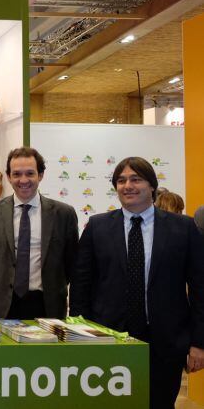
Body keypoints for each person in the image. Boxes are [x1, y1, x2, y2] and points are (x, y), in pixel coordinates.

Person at [70, 157, 204, 409]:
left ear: (151, 185)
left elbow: (200, 288)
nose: (127, 186)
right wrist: (80, 333)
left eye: (136, 179)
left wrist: (199, 342)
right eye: (121, 180)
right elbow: (81, 285)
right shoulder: (97, 227)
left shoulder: (183, 228)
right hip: (108, 338)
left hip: (165, 341)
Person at [0, 147, 79, 319]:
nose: (23, 180)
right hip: (3, 306)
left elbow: (72, 264)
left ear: (40, 175)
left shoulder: (64, 213)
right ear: (9, 176)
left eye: (30, 173)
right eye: (17, 174)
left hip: (47, 306)